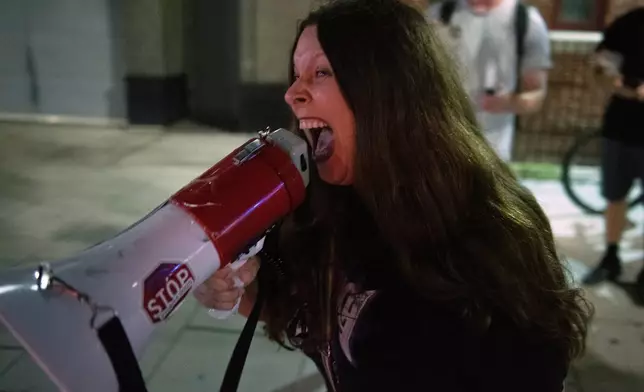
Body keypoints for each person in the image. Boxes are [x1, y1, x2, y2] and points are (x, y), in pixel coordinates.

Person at [194, 0, 592, 390]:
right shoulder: (325, 205)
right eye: (296, 74)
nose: (292, 94)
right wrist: (227, 288)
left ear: (389, 91)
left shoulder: (489, 242)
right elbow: (287, 301)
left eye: (321, 72)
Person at [425, 0, 552, 162]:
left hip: (493, 151)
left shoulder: (527, 20)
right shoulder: (439, 14)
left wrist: (508, 102)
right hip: (439, 145)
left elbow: (537, 93)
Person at [582, 7, 644, 298]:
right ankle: (611, 256)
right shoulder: (628, 23)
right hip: (620, 127)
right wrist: (617, 84)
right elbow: (600, 67)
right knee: (614, 197)